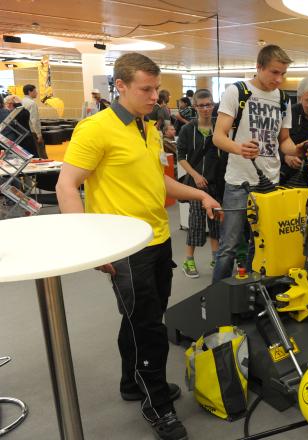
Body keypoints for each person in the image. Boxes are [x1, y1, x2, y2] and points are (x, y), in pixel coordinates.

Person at [55, 52, 221, 440]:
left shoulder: (146, 128)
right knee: (148, 327)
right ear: (121, 86)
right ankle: (157, 404)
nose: (154, 97)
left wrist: (201, 197)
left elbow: (158, 183)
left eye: (156, 90)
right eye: (146, 90)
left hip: (157, 240)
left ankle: (133, 383)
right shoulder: (96, 129)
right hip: (125, 249)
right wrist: (89, 247)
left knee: (139, 318)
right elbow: (67, 184)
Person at [211, 44, 304, 282]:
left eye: (283, 73)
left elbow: (283, 141)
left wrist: (297, 149)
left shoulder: (283, 99)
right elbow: (218, 136)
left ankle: (254, 295)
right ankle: (216, 299)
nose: (279, 79)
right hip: (239, 182)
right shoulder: (237, 91)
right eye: (274, 72)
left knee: (262, 245)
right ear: (259, 67)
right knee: (229, 246)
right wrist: (239, 148)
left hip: (269, 183)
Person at [177, 89, 224, 278]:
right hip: (196, 186)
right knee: (195, 223)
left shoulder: (219, 128)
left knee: (215, 224)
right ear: (195, 107)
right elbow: (181, 157)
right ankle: (188, 261)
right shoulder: (188, 129)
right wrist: (195, 175)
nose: (206, 109)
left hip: (215, 183)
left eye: (209, 104)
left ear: (213, 105)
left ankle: (215, 258)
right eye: (201, 105)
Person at [21, 84, 42, 149]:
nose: (37, 93)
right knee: (40, 152)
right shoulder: (32, 103)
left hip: (25, 130)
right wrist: (39, 134)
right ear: (30, 92)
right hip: (33, 131)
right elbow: (34, 120)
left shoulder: (22, 101)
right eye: (35, 91)